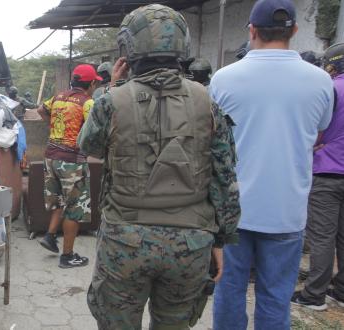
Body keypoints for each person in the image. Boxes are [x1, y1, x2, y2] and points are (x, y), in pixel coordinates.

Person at [80, 4, 241, 329]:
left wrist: (113, 85)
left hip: (125, 241)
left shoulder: (112, 101)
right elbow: (224, 178)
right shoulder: (207, 102)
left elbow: (89, 146)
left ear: (127, 50)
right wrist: (220, 241)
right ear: (182, 47)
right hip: (191, 243)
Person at [209, 0, 334, 328]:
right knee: (276, 296)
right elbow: (318, 131)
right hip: (287, 211)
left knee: (229, 289)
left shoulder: (223, 79)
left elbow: (212, 138)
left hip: (234, 210)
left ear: (252, 30)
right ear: (294, 30)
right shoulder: (320, 81)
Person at [291, 43, 344, 311]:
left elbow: (318, 130)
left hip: (327, 170)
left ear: (333, 64)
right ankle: (342, 290)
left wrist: (313, 143)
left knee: (322, 236)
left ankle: (315, 295)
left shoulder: (331, 89)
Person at [36, 64, 100, 268]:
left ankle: (50, 235)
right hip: (72, 161)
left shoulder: (58, 97)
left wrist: (53, 127)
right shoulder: (87, 102)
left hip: (52, 157)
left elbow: (41, 110)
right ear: (90, 83)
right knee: (75, 208)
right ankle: (68, 256)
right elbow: (95, 127)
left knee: (59, 200)